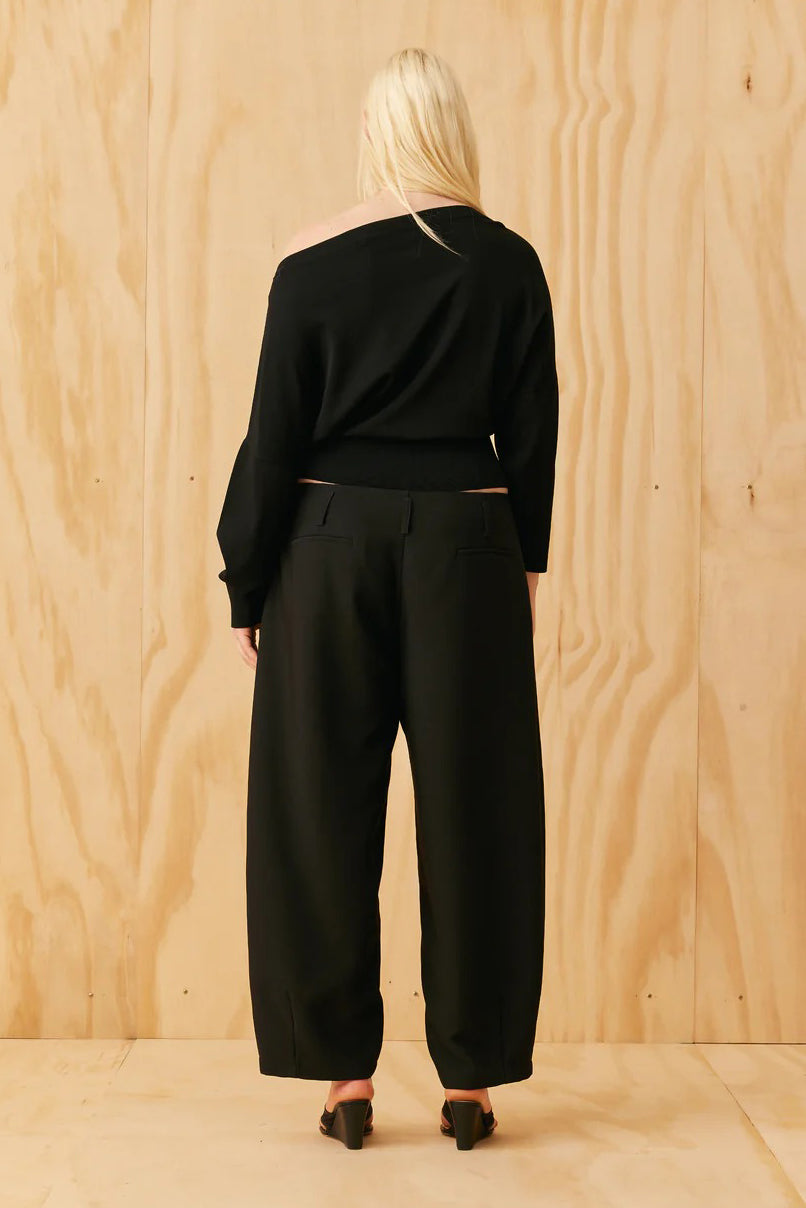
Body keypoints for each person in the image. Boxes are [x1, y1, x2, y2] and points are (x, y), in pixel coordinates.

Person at [215, 46, 559, 1151]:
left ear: (373, 134)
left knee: (317, 809)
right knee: (479, 809)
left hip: (324, 547)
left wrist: (246, 576)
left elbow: (273, 438)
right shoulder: (508, 264)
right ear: (454, 132)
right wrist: (524, 561)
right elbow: (532, 431)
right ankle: (473, 1083)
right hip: (469, 542)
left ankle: (345, 1080)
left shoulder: (309, 264)